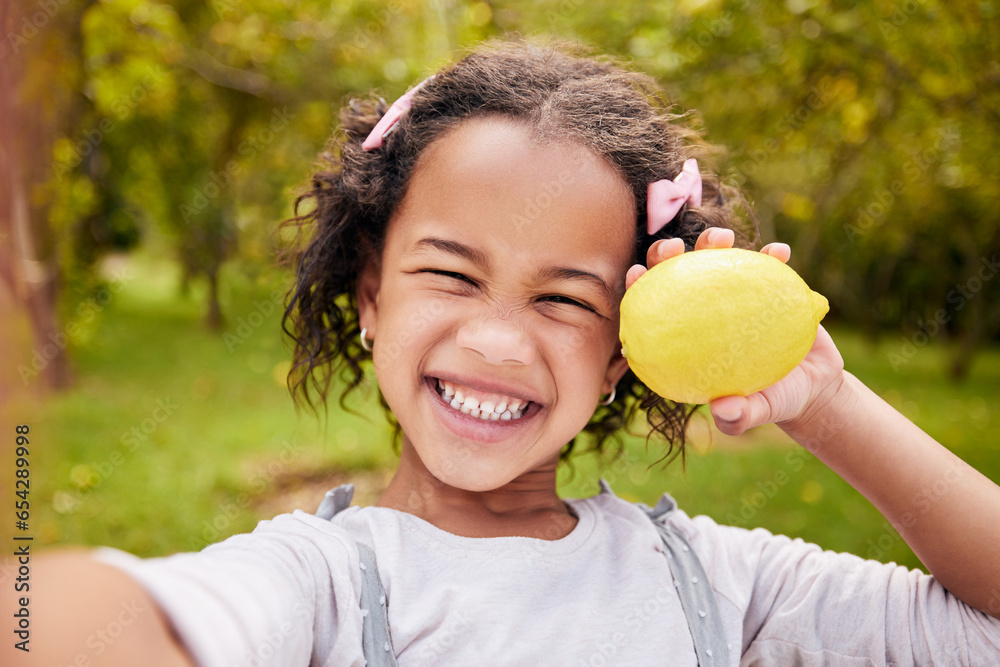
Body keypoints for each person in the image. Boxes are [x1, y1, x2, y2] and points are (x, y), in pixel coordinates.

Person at [12, 39, 1000, 666]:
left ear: (622, 353)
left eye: (565, 297)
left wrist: (822, 398)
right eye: (449, 274)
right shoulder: (316, 582)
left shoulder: (711, 579)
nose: (495, 338)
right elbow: (89, 621)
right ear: (369, 298)